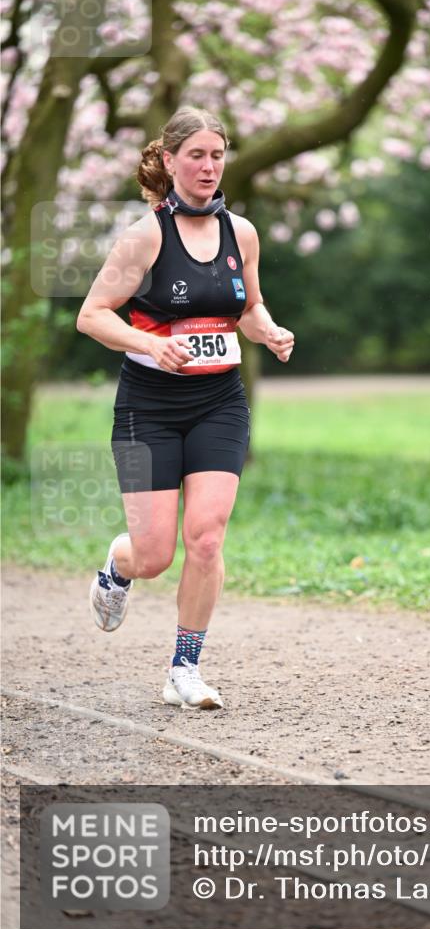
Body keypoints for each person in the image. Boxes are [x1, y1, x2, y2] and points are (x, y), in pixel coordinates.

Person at [77, 106, 294, 710]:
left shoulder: (241, 233)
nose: (207, 166)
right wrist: (150, 342)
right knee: (155, 555)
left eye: (217, 155)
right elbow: (91, 315)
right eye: (195, 155)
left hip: (219, 403)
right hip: (148, 407)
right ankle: (117, 568)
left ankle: (184, 669)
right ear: (169, 161)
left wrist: (270, 331)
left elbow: (246, 307)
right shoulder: (145, 236)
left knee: (205, 539)